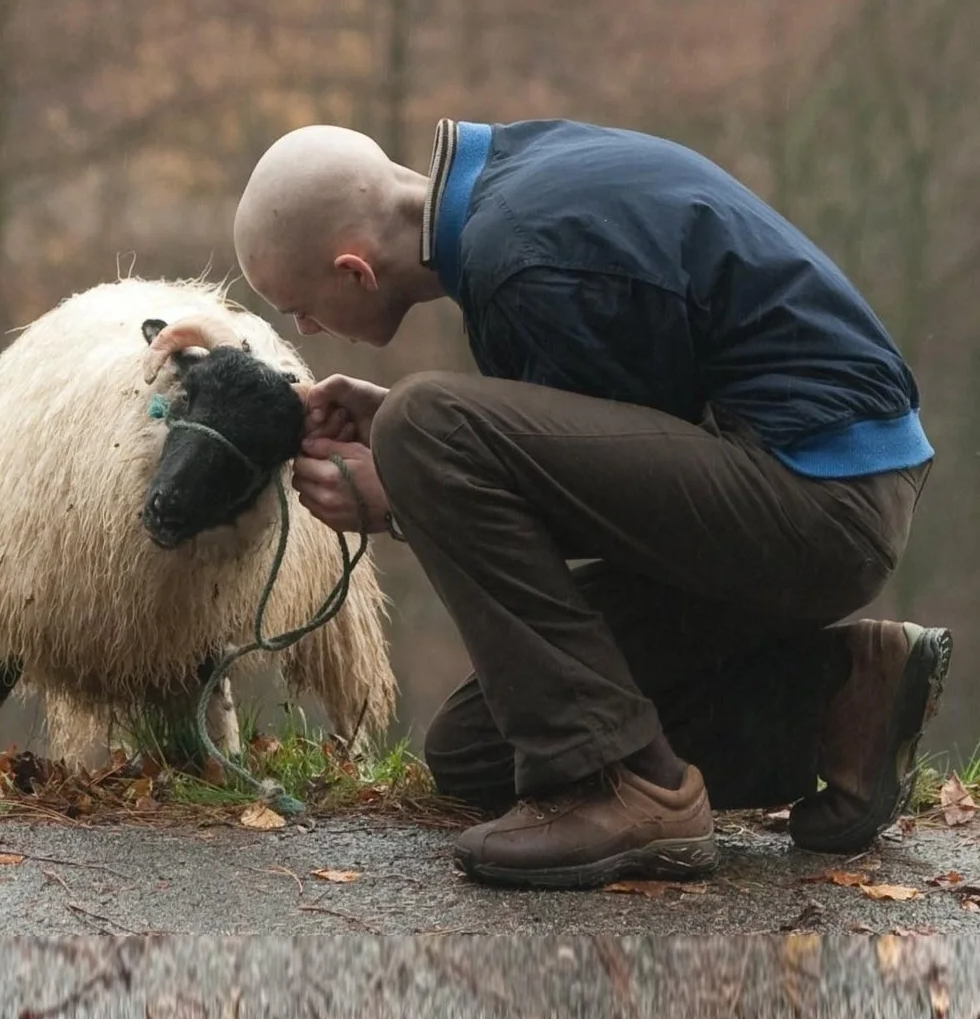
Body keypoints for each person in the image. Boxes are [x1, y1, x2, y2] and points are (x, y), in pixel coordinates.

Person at [234, 119, 949, 889]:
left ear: (355, 270)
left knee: (425, 423)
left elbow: (596, 502)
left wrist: (403, 491)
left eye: (299, 307)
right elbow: (606, 463)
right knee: (476, 750)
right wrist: (406, 447)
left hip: (819, 498)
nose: (306, 328)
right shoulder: (513, 193)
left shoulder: (525, 258)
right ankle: (844, 703)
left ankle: (626, 788)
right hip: (803, 485)